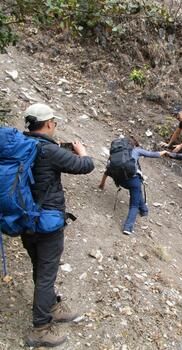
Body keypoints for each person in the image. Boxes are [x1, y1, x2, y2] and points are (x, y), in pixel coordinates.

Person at [22, 103, 95, 348]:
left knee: (40, 267)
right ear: (49, 123)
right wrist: (82, 151)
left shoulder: (22, 145)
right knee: (46, 274)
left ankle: (52, 305)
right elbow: (85, 166)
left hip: (24, 220)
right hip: (46, 223)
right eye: (54, 121)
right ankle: (40, 329)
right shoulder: (48, 150)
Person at [99, 137, 166, 235]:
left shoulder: (116, 153)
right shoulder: (137, 150)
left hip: (120, 181)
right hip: (133, 181)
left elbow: (108, 169)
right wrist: (164, 152)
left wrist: (102, 183)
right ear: (134, 144)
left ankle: (144, 210)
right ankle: (128, 227)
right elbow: (153, 154)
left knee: (137, 192)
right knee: (134, 204)